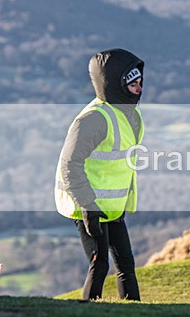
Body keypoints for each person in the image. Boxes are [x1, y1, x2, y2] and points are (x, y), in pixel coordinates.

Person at [55, 48, 145, 301]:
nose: (139, 90)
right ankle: (87, 313)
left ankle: (135, 315)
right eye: (133, 85)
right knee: (100, 264)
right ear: (115, 85)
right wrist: (88, 206)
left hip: (112, 206)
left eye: (140, 83)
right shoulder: (93, 119)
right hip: (87, 205)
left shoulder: (131, 116)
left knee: (126, 264)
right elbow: (70, 164)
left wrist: (121, 203)